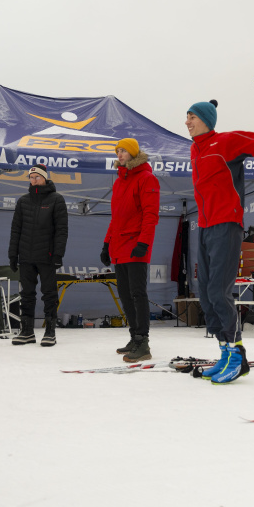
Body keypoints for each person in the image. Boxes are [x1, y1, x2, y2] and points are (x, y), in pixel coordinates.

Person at [186, 100, 254, 384]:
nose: (187, 122)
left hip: (226, 225)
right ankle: (225, 352)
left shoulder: (226, 142)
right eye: (187, 117)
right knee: (205, 294)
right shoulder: (195, 149)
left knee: (219, 291)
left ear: (206, 119)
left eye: (192, 117)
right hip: (204, 228)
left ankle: (238, 354)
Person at [100, 138, 161, 362]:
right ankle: (134, 337)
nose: (119, 154)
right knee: (125, 295)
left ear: (134, 153)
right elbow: (116, 219)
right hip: (119, 247)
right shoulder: (119, 182)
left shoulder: (147, 178)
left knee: (137, 293)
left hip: (136, 246)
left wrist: (143, 243)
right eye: (118, 151)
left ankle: (143, 342)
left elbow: (150, 215)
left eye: (123, 150)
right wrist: (106, 244)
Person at [8, 164, 69, 347]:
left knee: (49, 294)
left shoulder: (56, 199)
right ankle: (26, 331)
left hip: (47, 256)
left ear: (44, 178)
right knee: (26, 294)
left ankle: (50, 331)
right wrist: (13, 254)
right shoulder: (23, 201)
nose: (34, 180)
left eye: (37, 177)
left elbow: (62, 230)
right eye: (31, 177)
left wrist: (58, 254)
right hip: (26, 256)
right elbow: (16, 230)